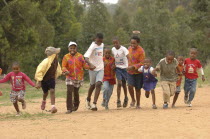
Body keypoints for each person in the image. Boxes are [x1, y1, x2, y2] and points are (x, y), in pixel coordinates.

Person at [62, 41, 90, 114]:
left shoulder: (80, 56)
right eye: (71, 48)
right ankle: (69, 108)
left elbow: (84, 65)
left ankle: (76, 104)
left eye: (74, 48)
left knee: (76, 91)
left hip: (78, 77)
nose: (72, 49)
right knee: (69, 90)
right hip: (69, 76)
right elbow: (63, 66)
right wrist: (65, 70)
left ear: (76, 48)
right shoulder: (66, 57)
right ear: (68, 48)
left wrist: (91, 67)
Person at [35, 46, 62, 113]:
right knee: (45, 93)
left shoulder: (56, 62)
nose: (57, 55)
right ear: (53, 55)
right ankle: (44, 100)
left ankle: (53, 106)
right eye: (56, 54)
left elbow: (58, 70)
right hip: (44, 80)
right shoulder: (45, 62)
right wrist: (39, 81)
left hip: (51, 79)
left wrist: (62, 73)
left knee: (52, 91)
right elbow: (39, 71)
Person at [84, 33, 104, 111]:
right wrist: (90, 64)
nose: (99, 43)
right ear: (95, 39)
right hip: (92, 69)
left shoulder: (102, 45)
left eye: (101, 41)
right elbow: (86, 58)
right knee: (92, 85)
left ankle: (94, 104)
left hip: (100, 68)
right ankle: (88, 99)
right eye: (98, 41)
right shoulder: (92, 46)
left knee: (98, 84)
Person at [127, 36, 145, 109]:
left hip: (138, 72)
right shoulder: (128, 49)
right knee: (130, 85)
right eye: (131, 43)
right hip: (130, 72)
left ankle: (138, 103)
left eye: (134, 43)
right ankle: (133, 100)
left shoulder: (141, 51)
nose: (132, 45)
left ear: (138, 43)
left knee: (137, 88)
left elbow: (142, 62)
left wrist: (134, 66)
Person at [111, 38, 129, 108]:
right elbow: (113, 58)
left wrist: (129, 64)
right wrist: (113, 64)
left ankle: (126, 98)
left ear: (119, 42)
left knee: (124, 84)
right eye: (114, 43)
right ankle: (118, 100)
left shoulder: (123, 49)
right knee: (119, 83)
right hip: (117, 68)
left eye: (117, 43)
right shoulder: (113, 49)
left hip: (124, 68)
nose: (115, 44)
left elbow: (128, 56)